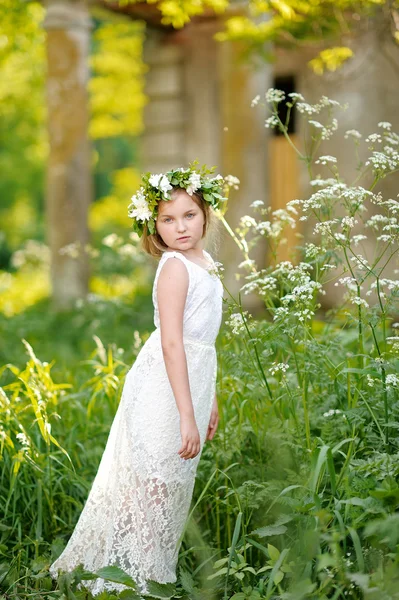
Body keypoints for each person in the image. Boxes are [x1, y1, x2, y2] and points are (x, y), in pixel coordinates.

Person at [49, 164, 226, 597]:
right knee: (151, 482)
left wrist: (211, 398)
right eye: (168, 219)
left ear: (205, 213)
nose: (180, 227)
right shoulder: (174, 268)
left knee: (169, 487)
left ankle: (147, 572)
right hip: (162, 389)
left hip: (190, 384)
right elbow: (172, 343)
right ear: (154, 227)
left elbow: (202, 340)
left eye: (189, 215)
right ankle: (132, 581)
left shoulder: (205, 263)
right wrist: (187, 412)